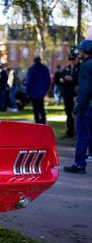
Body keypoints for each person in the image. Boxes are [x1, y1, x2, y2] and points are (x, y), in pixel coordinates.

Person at [64, 40, 92, 174]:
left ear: (84, 51)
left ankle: (79, 164)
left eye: (80, 50)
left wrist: (77, 108)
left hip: (87, 107)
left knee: (82, 136)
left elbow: (85, 90)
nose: (79, 53)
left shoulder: (86, 66)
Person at [25, 56, 51, 124]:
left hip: (33, 92)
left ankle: (37, 120)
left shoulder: (31, 69)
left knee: (36, 108)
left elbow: (29, 81)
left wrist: (27, 92)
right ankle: (43, 120)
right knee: (41, 107)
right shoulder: (45, 68)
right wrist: (45, 89)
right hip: (42, 91)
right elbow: (48, 80)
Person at [61, 55, 80, 138]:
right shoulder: (67, 68)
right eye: (70, 59)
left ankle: (76, 132)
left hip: (75, 94)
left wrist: (72, 79)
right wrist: (63, 78)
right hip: (67, 94)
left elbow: (80, 79)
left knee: (75, 113)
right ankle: (70, 131)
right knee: (68, 113)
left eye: (73, 59)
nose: (72, 61)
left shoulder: (80, 68)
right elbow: (61, 76)